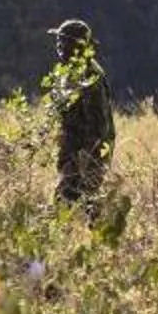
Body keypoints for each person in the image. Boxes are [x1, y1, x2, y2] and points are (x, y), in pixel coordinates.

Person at [47, 18, 115, 205]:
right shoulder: (68, 73)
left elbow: (100, 125)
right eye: (58, 41)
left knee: (75, 199)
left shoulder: (90, 75)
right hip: (75, 150)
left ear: (76, 46)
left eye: (64, 41)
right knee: (73, 201)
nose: (59, 46)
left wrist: (85, 157)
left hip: (89, 152)